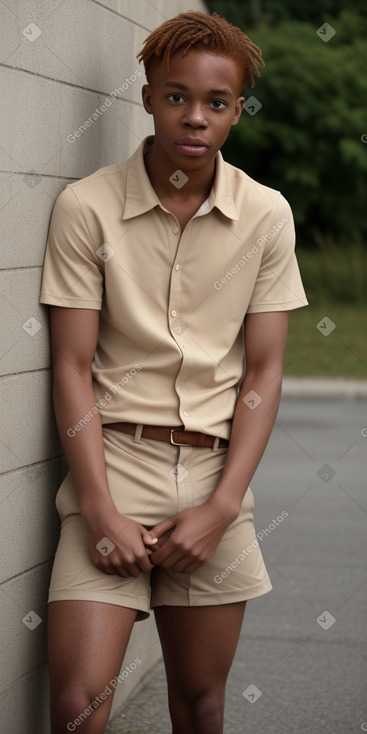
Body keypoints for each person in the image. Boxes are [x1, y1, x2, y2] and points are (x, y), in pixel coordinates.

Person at [40, 10, 308, 734]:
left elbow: (264, 369)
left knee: (199, 704)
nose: (195, 116)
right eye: (176, 96)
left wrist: (222, 508)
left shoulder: (265, 215)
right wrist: (97, 508)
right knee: (76, 706)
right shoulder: (87, 207)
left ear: (236, 111)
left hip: (216, 478)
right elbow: (68, 364)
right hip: (111, 465)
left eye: (216, 103)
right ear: (148, 96)